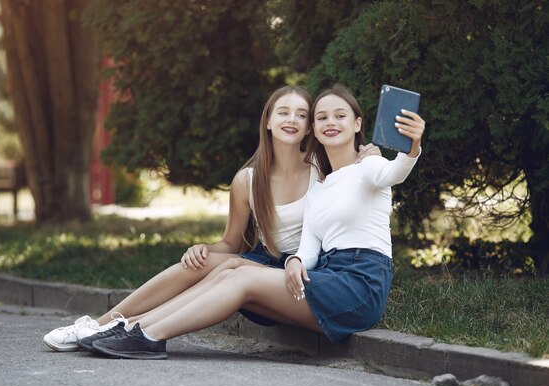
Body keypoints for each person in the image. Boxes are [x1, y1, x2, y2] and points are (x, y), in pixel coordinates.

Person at [79, 84, 424, 359]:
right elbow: (310, 246)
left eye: (340, 116)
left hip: (361, 284)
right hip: (326, 274)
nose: (330, 123)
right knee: (232, 269)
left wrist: (412, 147)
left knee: (242, 276)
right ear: (313, 130)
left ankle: (150, 336)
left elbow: (397, 171)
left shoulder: (370, 167)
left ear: (358, 124)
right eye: (322, 118)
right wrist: (294, 262)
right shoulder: (319, 186)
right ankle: (134, 327)